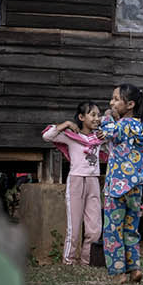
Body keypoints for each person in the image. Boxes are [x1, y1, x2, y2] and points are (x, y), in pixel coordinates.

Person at [98, 84, 143, 284]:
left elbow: (107, 131)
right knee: (131, 230)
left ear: (130, 104)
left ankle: (118, 273)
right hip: (136, 187)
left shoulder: (121, 125)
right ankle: (135, 269)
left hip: (116, 188)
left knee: (113, 230)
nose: (111, 103)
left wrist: (107, 115)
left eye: (115, 99)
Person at [41, 102, 106, 266]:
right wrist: (67, 124)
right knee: (74, 226)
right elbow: (47, 136)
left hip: (93, 181)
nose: (97, 118)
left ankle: (86, 261)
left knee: (95, 228)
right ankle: (69, 261)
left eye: (98, 115)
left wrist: (107, 135)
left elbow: (112, 150)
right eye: (92, 114)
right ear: (81, 117)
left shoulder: (99, 137)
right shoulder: (71, 136)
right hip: (76, 181)